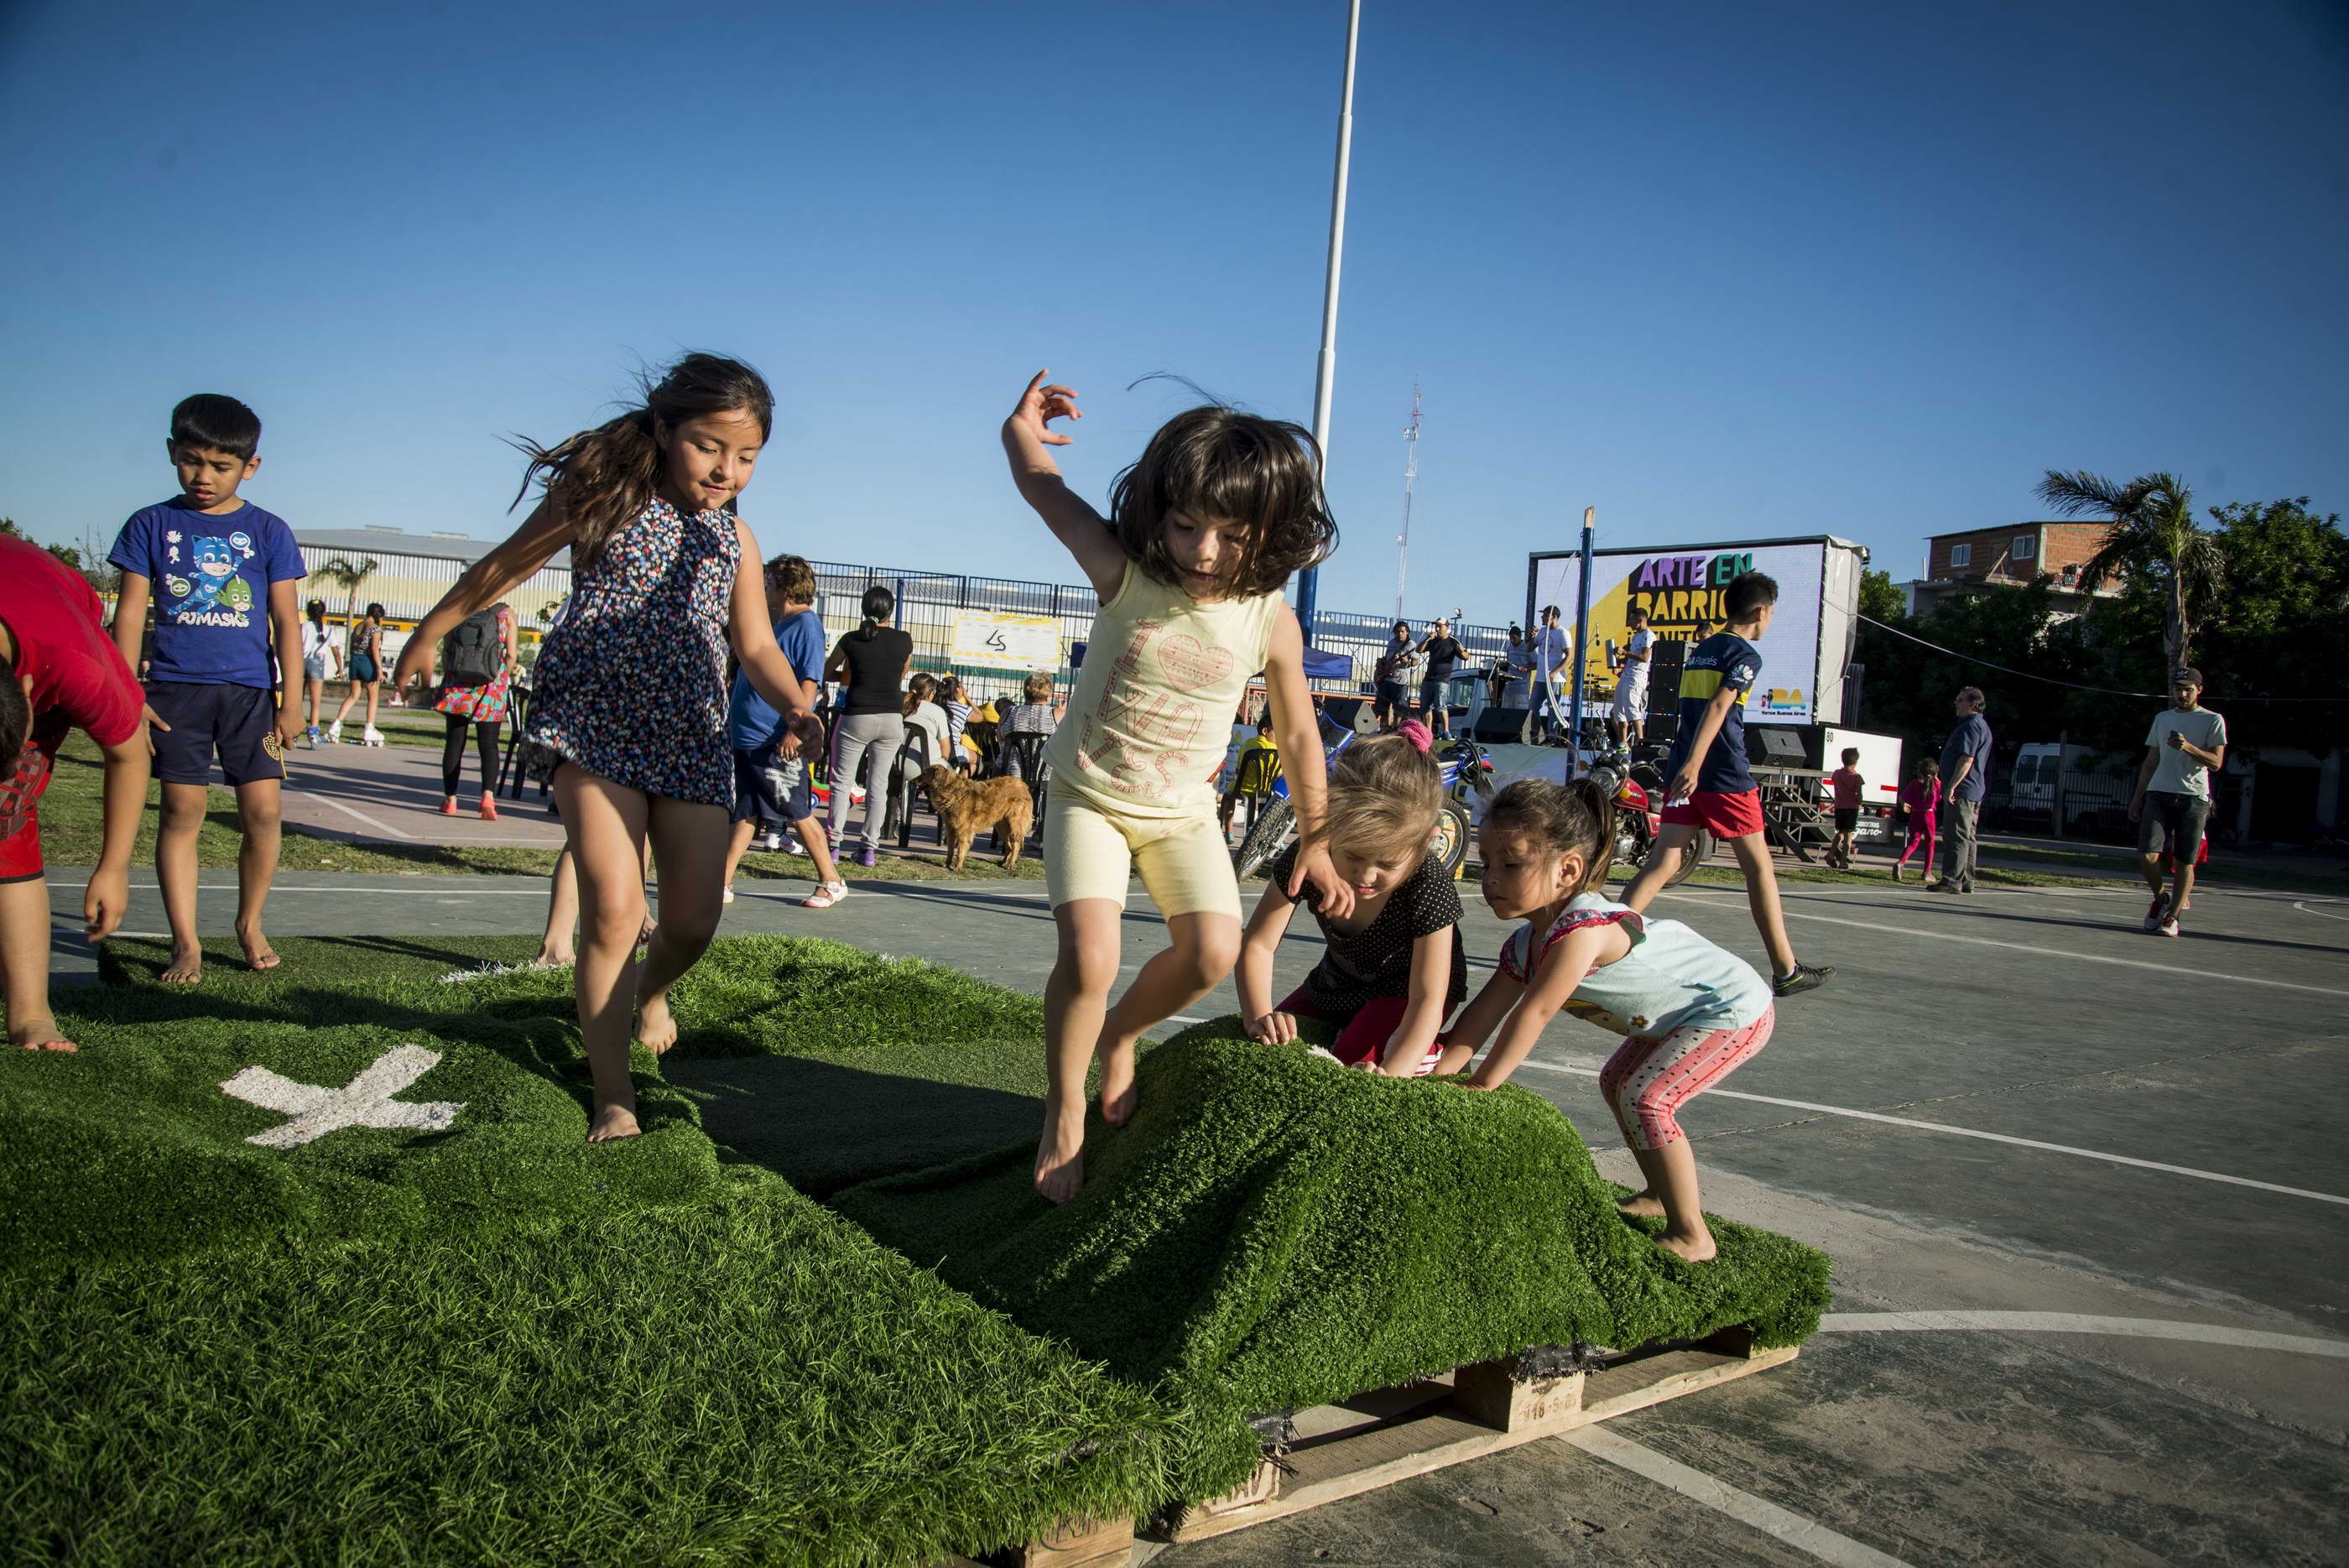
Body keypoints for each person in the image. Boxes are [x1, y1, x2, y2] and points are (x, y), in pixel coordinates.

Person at [393, 353, 822, 1143]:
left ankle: (648, 993)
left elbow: (756, 644)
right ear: (663, 431)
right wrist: (432, 629)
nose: (728, 470)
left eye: (748, 456)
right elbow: (506, 563)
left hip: (690, 726)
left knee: (690, 921)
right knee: (615, 911)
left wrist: (797, 703)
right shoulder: (604, 497)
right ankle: (613, 1092)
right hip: (592, 717)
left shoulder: (736, 539)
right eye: (709, 447)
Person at [1003, 369, 1352, 1202]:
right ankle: (1063, 1110)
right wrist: (1020, 430)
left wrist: (1319, 839)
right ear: (1157, 513)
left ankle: (1120, 1040)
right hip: (1090, 792)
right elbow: (1042, 487)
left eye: (1230, 535)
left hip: (1181, 811)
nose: (1202, 551)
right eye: (1187, 524)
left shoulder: (1269, 618)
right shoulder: (1126, 573)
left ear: (1268, 534)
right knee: (1091, 957)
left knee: (1213, 951)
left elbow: (1298, 731)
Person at [1441, 777, 1775, 1263]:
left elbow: (1534, 1013)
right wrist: (1441, 1073)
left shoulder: (1583, 929)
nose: (1490, 878)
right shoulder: (1522, 945)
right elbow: (1482, 1015)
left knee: (1647, 1097)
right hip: (1676, 1018)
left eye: (1511, 864)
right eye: (1486, 862)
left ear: (1568, 870)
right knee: (1617, 1080)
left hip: (1730, 1007)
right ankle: (1659, 1196)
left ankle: (1692, 1233)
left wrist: (1484, 1083)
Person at [107, 392, 305, 984]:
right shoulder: (150, 523)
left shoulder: (269, 530)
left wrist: (291, 702)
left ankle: (249, 921)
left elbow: (288, 622)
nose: (204, 476)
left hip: (249, 698)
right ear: (172, 452)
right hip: (172, 691)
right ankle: (186, 942)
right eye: (192, 460)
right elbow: (131, 613)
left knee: (264, 814)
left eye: (221, 466)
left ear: (250, 466)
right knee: (181, 810)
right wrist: (128, 693)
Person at [1621, 571, 1831, 997]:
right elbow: (1718, 707)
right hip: (1722, 775)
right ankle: (1786, 970)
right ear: (1761, 611)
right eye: (1773, 613)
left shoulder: (1702, 651)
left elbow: (1693, 711)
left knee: (1664, 862)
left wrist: (1688, 765)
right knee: (1759, 869)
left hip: (1684, 769)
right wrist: (1698, 765)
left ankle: (1598, 945)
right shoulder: (1745, 656)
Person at [1236, 722, 1467, 1073]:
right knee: (1274, 1052)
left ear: (1427, 844)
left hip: (1406, 994)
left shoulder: (1428, 883)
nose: (1366, 876)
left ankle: (1434, 1054)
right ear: (1327, 829)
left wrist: (1392, 1073)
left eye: (1387, 863)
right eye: (1353, 856)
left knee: (1350, 1060)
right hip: (1336, 982)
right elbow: (1257, 945)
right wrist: (1257, 1017)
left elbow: (1427, 1000)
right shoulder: (1310, 857)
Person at [0, 535, 149, 1050]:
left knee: (7, 821)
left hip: (54, 600)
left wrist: (113, 866)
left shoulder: (75, 662)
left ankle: (30, 1015)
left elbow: (130, 755)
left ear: (26, 694)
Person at [721, 554, 846, 909]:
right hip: (747, 736)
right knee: (745, 813)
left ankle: (831, 880)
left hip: (774, 739)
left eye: (770, 582)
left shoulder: (806, 625)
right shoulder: (775, 624)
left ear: (785, 586)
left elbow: (810, 679)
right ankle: (724, 880)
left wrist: (795, 728)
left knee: (797, 811)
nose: (765, 588)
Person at [2129, 667, 2227, 939]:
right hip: (2159, 793)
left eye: (2188, 689)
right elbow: (2150, 763)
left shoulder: (2212, 720)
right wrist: (2138, 797)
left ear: (2199, 690)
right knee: (2147, 855)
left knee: (2185, 861)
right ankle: (2161, 899)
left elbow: (2217, 762)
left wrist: (2188, 748)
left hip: (2193, 797)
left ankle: (2173, 916)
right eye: (2178, 689)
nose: (2182, 694)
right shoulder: (2162, 718)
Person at [823, 585, 913, 867]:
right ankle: (868, 850)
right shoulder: (904, 640)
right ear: (891, 611)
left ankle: (833, 846)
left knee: (841, 782)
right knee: (878, 784)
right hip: (891, 718)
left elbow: (826, 671)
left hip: (856, 716)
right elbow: (901, 673)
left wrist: (848, 677)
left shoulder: (851, 639)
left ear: (863, 608)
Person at [425, 601, 517, 820]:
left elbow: (447, 652)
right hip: (491, 688)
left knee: (455, 743)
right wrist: (501, 676)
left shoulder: (457, 609)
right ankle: (487, 797)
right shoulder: (506, 613)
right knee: (489, 745)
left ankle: (450, 800)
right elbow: (511, 655)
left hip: (458, 686)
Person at [1932, 687, 1992, 894]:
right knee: (1967, 836)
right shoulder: (1981, 725)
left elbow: (1966, 759)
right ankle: (1967, 879)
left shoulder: (1971, 726)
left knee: (1956, 835)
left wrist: (1951, 787)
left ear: (1973, 704)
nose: (1956, 703)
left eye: (1960, 700)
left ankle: (1952, 880)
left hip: (1963, 790)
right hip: (1973, 789)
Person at [328, 602, 388, 745]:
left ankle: (336, 724)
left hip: (356, 661)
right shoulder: (375, 629)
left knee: (353, 695)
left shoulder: (357, 627)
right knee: (373, 697)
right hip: (368, 662)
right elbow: (374, 650)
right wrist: (379, 670)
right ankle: (369, 727)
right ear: (379, 615)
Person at [1219, 714, 1280, 840]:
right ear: (1265, 731)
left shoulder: (1247, 744)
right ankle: (1272, 835)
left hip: (1242, 788)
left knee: (1228, 796)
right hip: (1267, 791)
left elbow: (1239, 768)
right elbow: (1279, 773)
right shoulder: (1277, 750)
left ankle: (1228, 833)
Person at [997, 669, 1060, 776]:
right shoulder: (1057, 715)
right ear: (1049, 696)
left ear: (1025, 693)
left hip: (1010, 776)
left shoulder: (1008, 712)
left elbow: (1001, 738)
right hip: (1045, 777)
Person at [1607, 605, 1654, 748]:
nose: (1629, 622)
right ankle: (1623, 743)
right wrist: (1618, 661)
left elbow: (1645, 657)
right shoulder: (1636, 636)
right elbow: (1632, 657)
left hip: (1636, 677)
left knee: (1633, 709)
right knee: (1618, 710)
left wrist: (1625, 653)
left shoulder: (1648, 635)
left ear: (1640, 619)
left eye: (1631, 619)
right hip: (1626, 675)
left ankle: (1641, 744)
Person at [1893, 756, 1940, 883]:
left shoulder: (1914, 783)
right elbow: (1939, 797)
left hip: (1915, 815)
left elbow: (1903, 797)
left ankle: (1901, 862)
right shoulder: (1935, 784)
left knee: (1914, 842)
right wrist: (1936, 778)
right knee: (1930, 843)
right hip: (1929, 815)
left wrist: (1904, 804)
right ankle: (1927, 872)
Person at [299, 598, 341, 746]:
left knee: (298, 700)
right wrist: (340, 668)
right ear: (324, 613)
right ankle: (313, 733)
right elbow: (336, 652)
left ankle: (296, 731)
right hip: (317, 664)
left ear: (308, 612)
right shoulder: (329, 630)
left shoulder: (303, 627)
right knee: (315, 702)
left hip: (300, 662)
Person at [1414, 617, 1465, 738]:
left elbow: (1465, 656)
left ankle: (1446, 731)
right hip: (1429, 678)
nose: (1437, 629)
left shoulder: (1453, 642)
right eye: (1436, 626)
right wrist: (1427, 639)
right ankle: (1428, 732)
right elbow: (1418, 650)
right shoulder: (1433, 640)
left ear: (1447, 628)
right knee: (1425, 707)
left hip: (1442, 680)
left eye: (1440, 626)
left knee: (1441, 706)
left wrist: (1461, 651)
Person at [1530, 603, 1570, 742]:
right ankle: (1537, 735)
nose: (1542, 617)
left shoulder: (1562, 633)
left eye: (1545, 615)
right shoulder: (1542, 631)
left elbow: (1569, 656)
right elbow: (1529, 648)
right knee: (1533, 706)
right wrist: (1531, 637)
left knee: (1553, 709)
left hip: (1555, 678)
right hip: (1540, 677)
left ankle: (1553, 738)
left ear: (1554, 617)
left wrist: (1555, 672)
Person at [1372, 621, 1416, 730]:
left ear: (1407, 632)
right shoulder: (1392, 642)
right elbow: (1387, 657)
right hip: (1387, 679)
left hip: (1401, 680)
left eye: (1402, 631)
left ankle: (1397, 729)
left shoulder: (1411, 644)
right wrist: (1381, 661)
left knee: (1399, 710)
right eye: (1398, 632)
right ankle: (1383, 729)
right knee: (1382, 708)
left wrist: (1407, 662)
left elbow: (1415, 662)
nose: (1400, 634)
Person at [1826, 746, 1864, 870]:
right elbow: (1859, 794)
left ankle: (1831, 854)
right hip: (1851, 808)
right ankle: (1843, 861)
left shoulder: (1837, 773)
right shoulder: (1857, 777)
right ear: (1855, 762)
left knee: (1840, 832)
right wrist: (1860, 802)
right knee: (1849, 835)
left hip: (1839, 807)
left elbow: (1834, 782)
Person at [938, 675, 976, 774]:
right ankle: (960, 785)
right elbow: (980, 716)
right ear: (958, 689)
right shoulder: (963, 709)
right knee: (974, 759)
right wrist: (967, 697)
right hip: (952, 751)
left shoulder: (936, 705)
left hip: (934, 748)